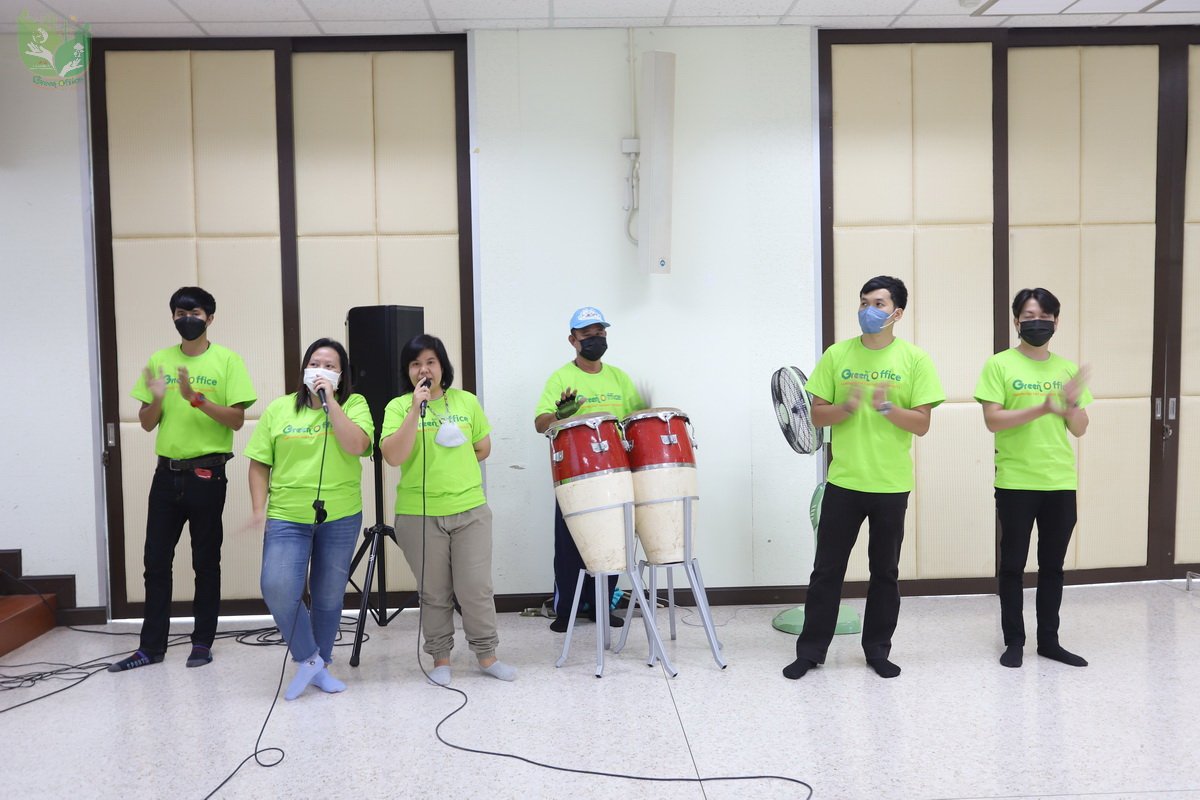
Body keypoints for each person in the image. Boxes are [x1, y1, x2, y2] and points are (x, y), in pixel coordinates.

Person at [783, 276, 944, 681]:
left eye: (878, 303)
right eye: (863, 302)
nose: (868, 310)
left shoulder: (915, 360)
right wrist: (847, 406)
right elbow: (816, 415)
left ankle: (877, 650)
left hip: (891, 485)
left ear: (897, 313)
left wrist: (887, 408)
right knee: (826, 571)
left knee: (884, 573)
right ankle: (810, 652)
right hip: (844, 483)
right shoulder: (838, 354)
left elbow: (922, 424)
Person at [110, 287, 256, 672]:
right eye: (179, 313)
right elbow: (146, 423)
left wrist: (197, 398)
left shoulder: (228, 360)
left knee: (205, 561)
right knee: (156, 561)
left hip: (207, 474)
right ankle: (150, 648)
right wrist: (158, 398)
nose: (186, 319)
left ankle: (202, 642)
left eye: (194, 312)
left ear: (210, 318)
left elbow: (237, 420)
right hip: (166, 474)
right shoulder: (159, 360)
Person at [381, 334, 515, 685]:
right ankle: (441, 659)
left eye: (430, 362)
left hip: (469, 509)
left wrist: (454, 466)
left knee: (475, 589)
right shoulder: (398, 407)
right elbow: (393, 456)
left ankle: (487, 656)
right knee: (434, 592)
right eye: (415, 364)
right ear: (407, 371)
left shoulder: (466, 401)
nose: (423, 370)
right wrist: (415, 409)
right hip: (418, 514)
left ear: (443, 366)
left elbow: (483, 447)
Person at [245, 339, 374, 700]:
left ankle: (321, 665)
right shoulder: (280, 409)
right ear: (304, 368)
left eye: (330, 366)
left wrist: (331, 404)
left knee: (328, 595)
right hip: (287, 515)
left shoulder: (355, 405)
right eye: (315, 363)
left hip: (341, 515)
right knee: (277, 587)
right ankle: (310, 659)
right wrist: (258, 508)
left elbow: (357, 446)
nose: (320, 370)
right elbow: (259, 463)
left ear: (341, 375)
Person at [975, 288, 1091, 669]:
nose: (1036, 322)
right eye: (1028, 315)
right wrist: (1043, 406)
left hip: (1059, 481)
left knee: (1052, 566)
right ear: (1016, 321)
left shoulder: (1066, 370)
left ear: (1056, 322)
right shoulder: (1000, 365)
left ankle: (1049, 641)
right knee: (1012, 565)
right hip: (1016, 481)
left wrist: (1069, 404)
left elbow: (1080, 428)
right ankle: (1014, 641)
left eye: (1044, 316)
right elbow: (993, 420)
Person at [534, 307, 645, 632]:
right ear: (573, 340)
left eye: (600, 332)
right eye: (587, 334)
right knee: (570, 546)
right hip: (574, 477)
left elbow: (635, 421)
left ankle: (601, 607)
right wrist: (560, 415)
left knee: (612, 542)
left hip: (615, 476)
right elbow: (540, 424)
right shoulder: (560, 378)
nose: (595, 339)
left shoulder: (619, 378)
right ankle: (566, 611)